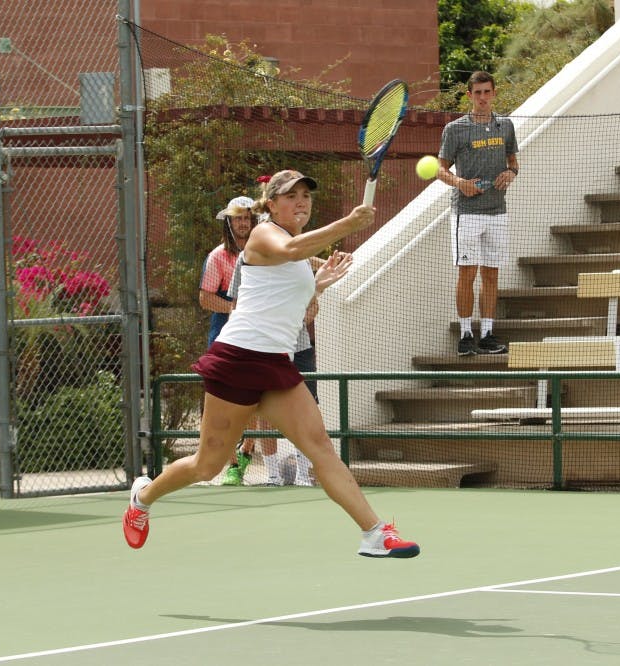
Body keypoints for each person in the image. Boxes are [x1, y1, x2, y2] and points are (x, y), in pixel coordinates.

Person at [124, 169, 420, 558]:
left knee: (321, 448)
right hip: (238, 360)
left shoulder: (294, 249)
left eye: (306, 197)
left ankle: (375, 533)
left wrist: (319, 285)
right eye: (291, 196)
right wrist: (349, 223)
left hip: (276, 365)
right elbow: (291, 254)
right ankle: (143, 498)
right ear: (271, 203)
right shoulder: (265, 234)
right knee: (207, 465)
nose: (301, 203)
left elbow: (284, 303)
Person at [229, 249, 351, 486]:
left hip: (300, 347)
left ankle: (304, 475)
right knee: (264, 410)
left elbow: (313, 305)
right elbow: (236, 305)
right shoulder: (247, 258)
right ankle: (273, 475)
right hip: (263, 348)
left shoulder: (301, 257)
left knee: (306, 410)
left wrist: (298, 317)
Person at [435, 70, 520, 356]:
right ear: (469, 95)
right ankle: (465, 333)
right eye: (477, 92)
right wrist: (460, 183)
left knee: (492, 274)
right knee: (467, 273)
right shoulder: (455, 129)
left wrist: (510, 173)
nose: (483, 98)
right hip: (467, 213)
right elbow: (440, 169)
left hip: (497, 211)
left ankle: (487, 333)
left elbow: (513, 163)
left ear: (495, 93)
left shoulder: (505, 126)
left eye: (487, 92)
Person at [199, 195, 258, 486]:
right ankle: (233, 465)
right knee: (226, 404)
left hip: (259, 338)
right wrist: (236, 308)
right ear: (229, 222)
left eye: (247, 217)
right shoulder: (217, 257)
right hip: (225, 337)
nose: (242, 222)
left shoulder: (265, 250)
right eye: (237, 218)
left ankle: (247, 451)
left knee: (257, 401)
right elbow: (205, 298)